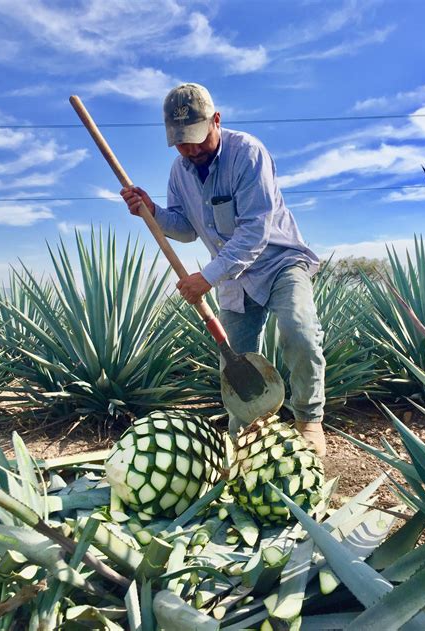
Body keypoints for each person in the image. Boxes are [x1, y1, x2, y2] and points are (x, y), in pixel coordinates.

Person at [121, 83, 326, 456]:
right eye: (182, 142)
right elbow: (184, 228)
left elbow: (253, 233)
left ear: (217, 120)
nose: (192, 149)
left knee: (298, 328)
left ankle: (309, 420)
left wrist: (206, 277)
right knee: (236, 366)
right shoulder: (179, 172)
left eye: (198, 138)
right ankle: (249, 440)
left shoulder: (248, 153)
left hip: (279, 262)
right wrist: (152, 212)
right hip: (233, 278)